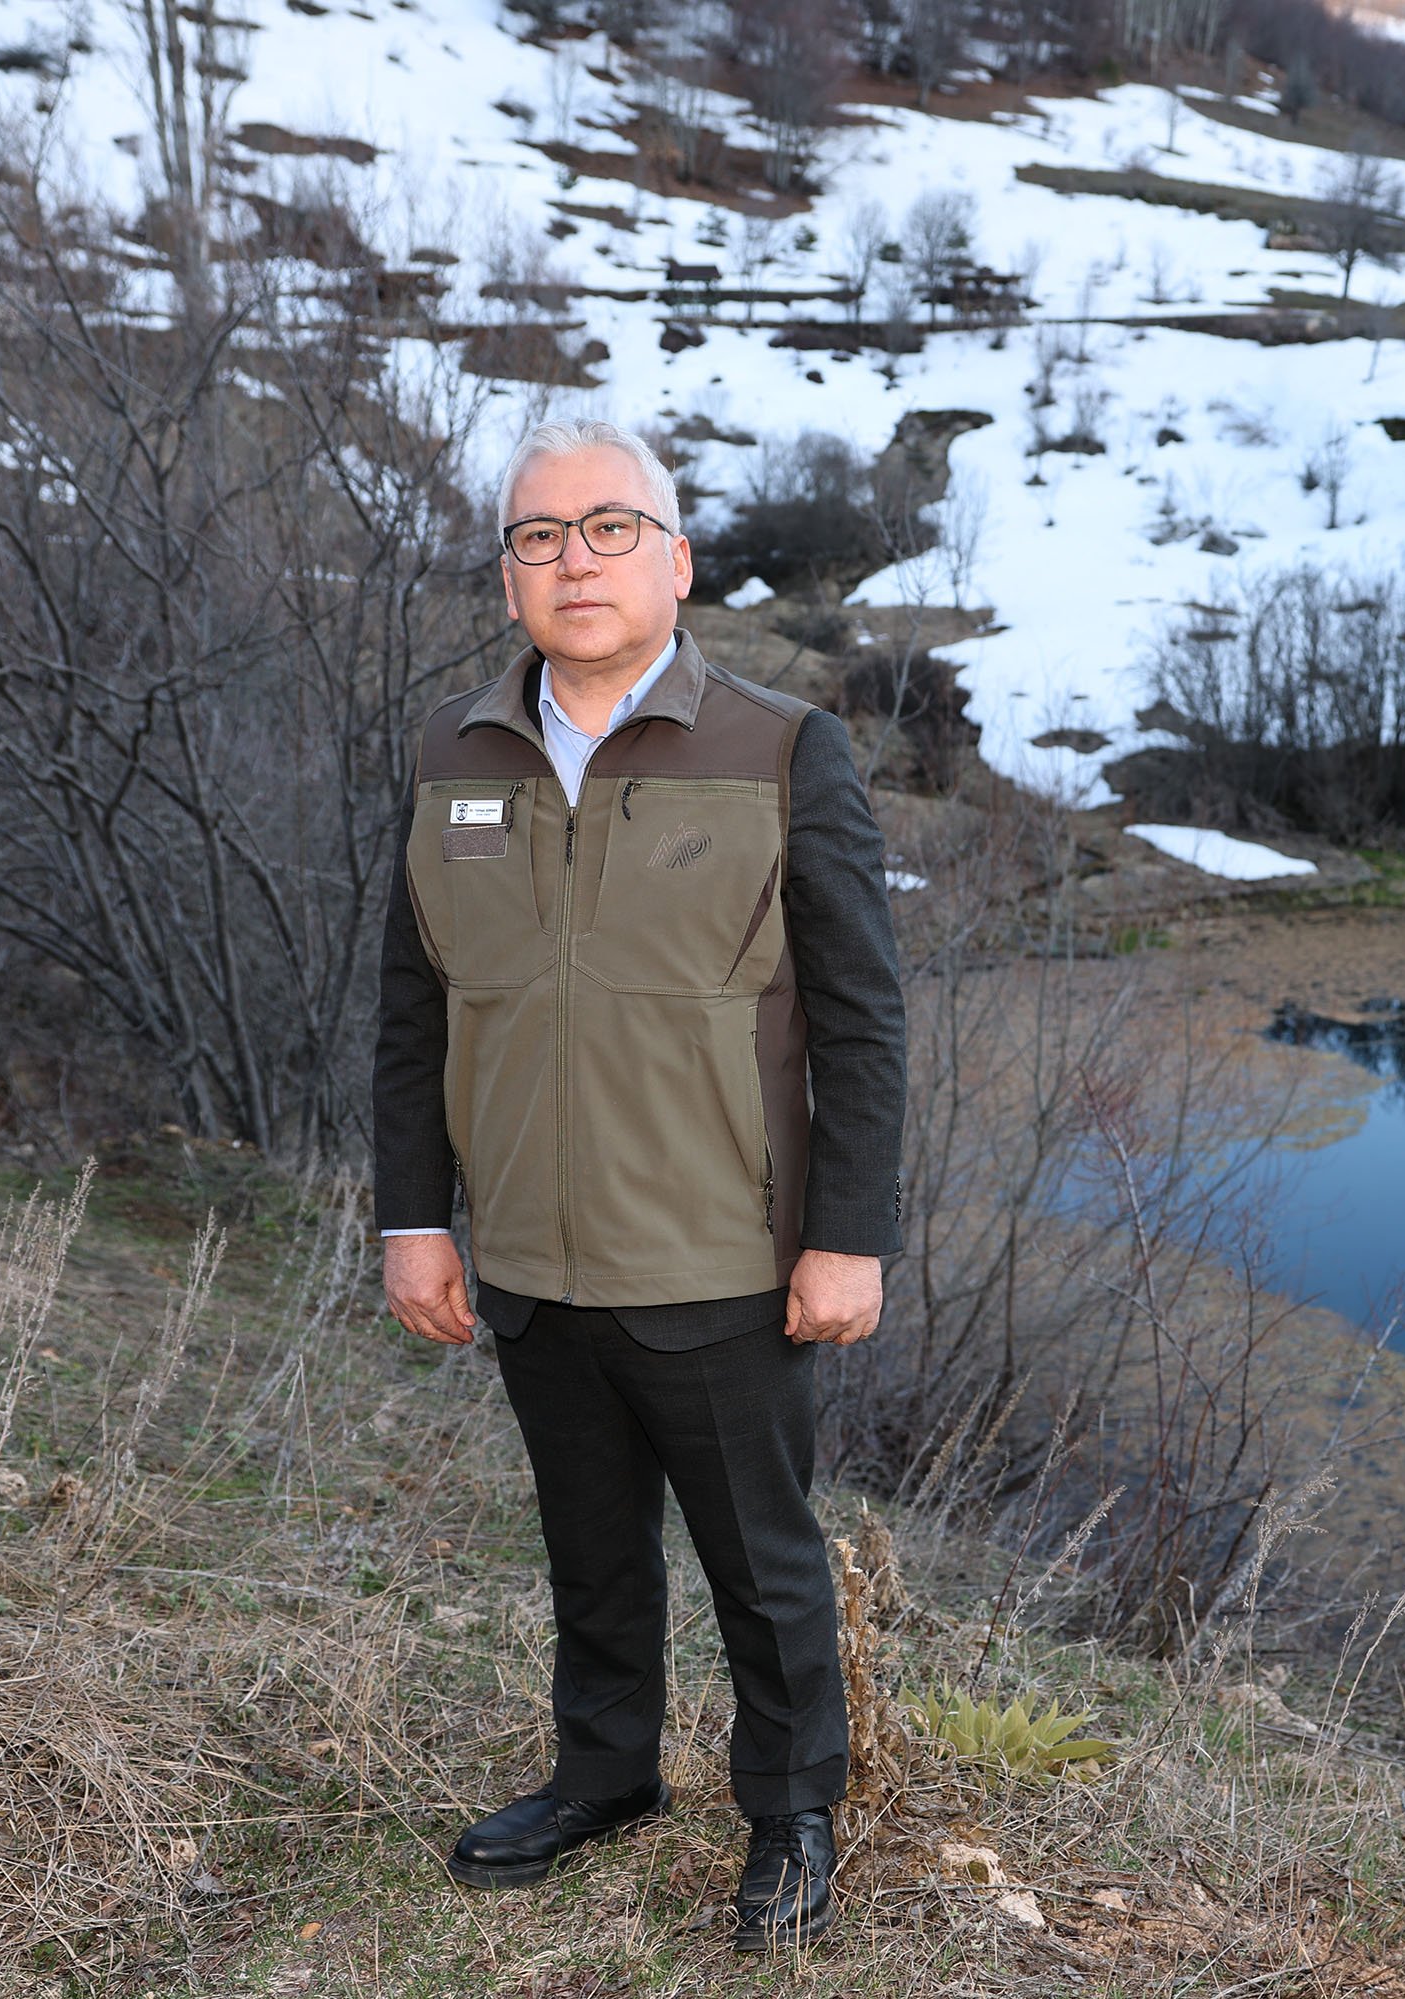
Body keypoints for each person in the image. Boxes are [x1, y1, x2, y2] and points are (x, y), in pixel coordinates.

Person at [371, 418, 906, 1951]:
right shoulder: (450, 757)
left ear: (675, 561)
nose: (574, 560)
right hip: (531, 1253)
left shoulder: (782, 748)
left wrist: (846, 1238)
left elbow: (862, 1018)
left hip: (724, 1257)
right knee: (588, 1546)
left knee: (765, 1561)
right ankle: (602, 1777)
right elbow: (415, 1012)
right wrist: (418, 1221)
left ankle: (792, 1812)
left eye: (610, 529)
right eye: (541, 536)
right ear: (508, 575)